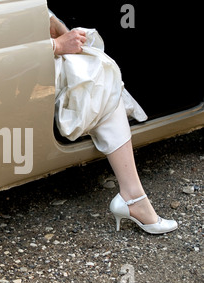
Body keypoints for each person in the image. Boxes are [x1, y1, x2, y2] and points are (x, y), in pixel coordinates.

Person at [49, 12, 177, 234]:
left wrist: (59, 29)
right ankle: (133, 197)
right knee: (100, 80)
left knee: (97, 73)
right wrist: (56, 45)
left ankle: (133, 196)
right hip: (21, 61)